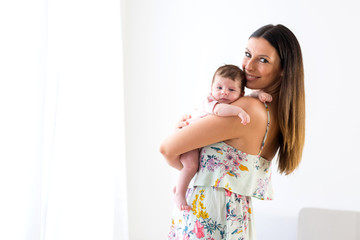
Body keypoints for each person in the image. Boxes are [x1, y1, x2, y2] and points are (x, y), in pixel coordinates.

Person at [160, 24, 305, 239]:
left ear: (284, 69)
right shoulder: (274, 114)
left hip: (208, 212)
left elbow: (167, 149)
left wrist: (182, 141)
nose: (249, 66)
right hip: (236, 216)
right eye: (248, 54)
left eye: (263, 60)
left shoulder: (246, 109)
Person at [174, 64, 272, 211]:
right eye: (219, 88)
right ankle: (179, 193)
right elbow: (219, 111)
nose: (224, 93)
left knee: (195, 167)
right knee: (191, 166)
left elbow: (246, 97)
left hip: (202, 142)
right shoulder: (211, 102)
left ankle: (182, 184)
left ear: (241, 93)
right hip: (190, 140)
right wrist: (239, 111)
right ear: (211, 88)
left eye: (231, 89)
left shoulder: (237, 100)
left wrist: (257, 95)